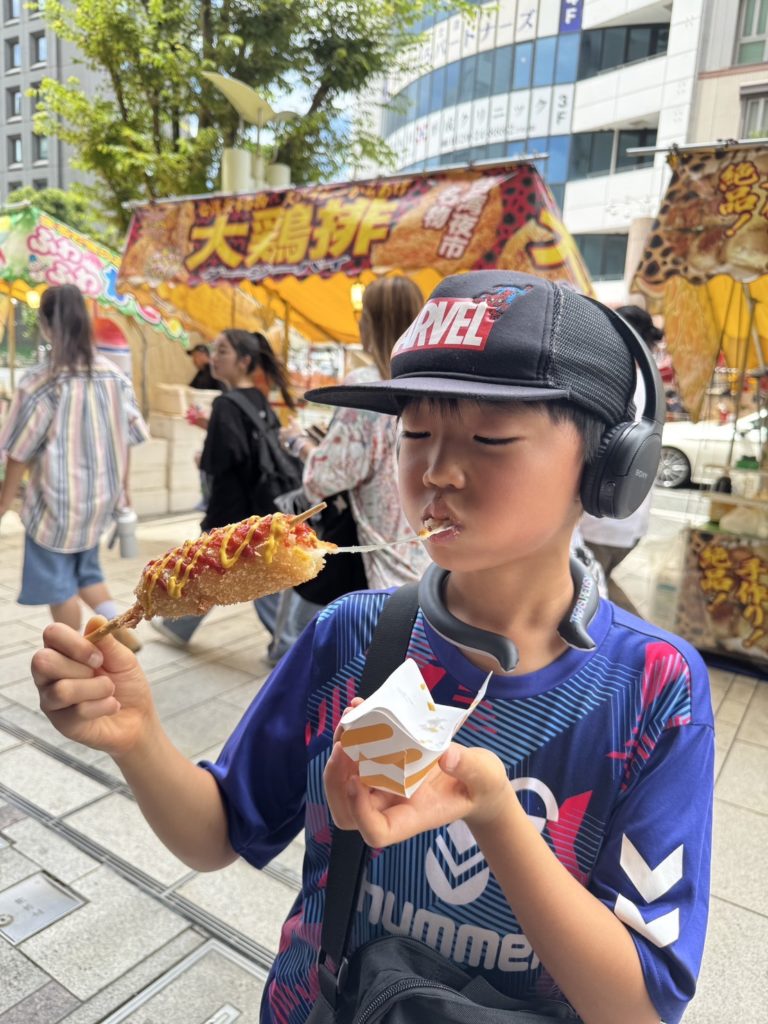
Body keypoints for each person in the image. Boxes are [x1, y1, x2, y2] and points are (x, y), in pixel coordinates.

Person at [31, 272, 713, 1024]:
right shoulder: (351, 634)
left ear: (610, 470)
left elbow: (640, 1008)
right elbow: (217, 833)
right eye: (415, 434)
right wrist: (137, 738)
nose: (436, 470)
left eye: (490, 438)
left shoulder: (654, 687)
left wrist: (496, 819)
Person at [277, 276, 430, 650]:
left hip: (380, 564)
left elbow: (325, 477)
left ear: (372, 322)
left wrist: (299, 443)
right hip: (430, 561)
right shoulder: (434, 383)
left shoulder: (367, 384)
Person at [0, 284, 148, 651]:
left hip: (56, 504)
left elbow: (18, 451)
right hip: (100, 500)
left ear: (45, 324)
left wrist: (3, 504)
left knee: (59, 585)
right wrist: (124, 490)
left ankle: (74, 653)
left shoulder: (40, 382)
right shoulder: (114, 376)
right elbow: (129, 437)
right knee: (87, 574)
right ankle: (121, 631)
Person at [151, 329, 296, 648]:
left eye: (223, 352)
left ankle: (288, 642)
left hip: (230, 507)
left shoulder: (226, 404)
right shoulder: (257, 398)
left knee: (225, 571)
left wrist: (203, 455)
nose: (214, 358)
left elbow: (221, 460)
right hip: (257, 504)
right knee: (221, 571)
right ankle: (181, 626)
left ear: (244, 361)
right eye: (214, 350)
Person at [579, 305, 664, 616]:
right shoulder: (650, 389)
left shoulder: (615, 383)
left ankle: (643, 637)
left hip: (599, 522)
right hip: (629, 521)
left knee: (588, 597)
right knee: (595, 587)